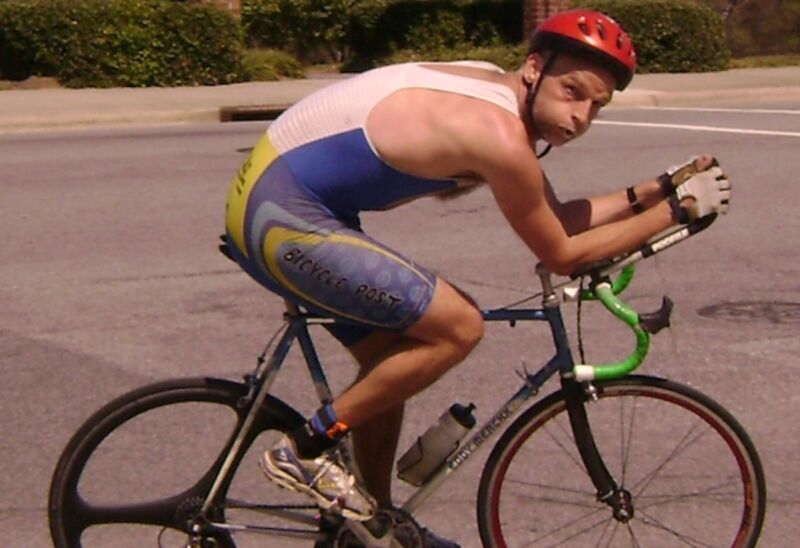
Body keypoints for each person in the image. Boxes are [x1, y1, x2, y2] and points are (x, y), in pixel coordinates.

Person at [223, 8, 730, 546]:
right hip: (280, 216)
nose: (581, 116)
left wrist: (650, 192)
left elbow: (552, 213)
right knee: (458, 325)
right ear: (535, 68)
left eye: (596, 107)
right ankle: (303, 450)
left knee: (390, 360)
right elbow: (561, 251)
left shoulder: (497, 90)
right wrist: (676, 214)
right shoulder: (499, 136)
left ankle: (373, 526)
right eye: (574, 92)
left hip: (283, 202)